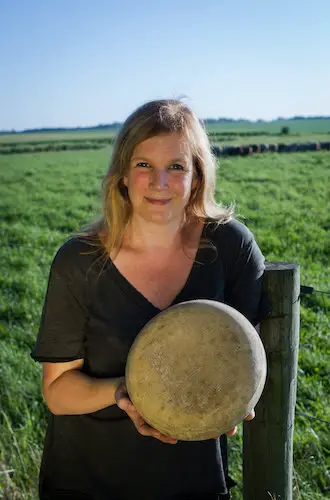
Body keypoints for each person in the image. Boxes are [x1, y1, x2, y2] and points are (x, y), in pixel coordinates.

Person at [31, 98, 266, 500]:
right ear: (122, 174)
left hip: (194, 482)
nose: (160, 183)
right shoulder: (79, 261)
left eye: (176, 167)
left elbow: (245, 357)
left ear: (196, 175)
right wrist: (129, 392)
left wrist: (241, 396)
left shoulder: (231, 246)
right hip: (88, 481)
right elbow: (58, 391)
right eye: (144, 166)